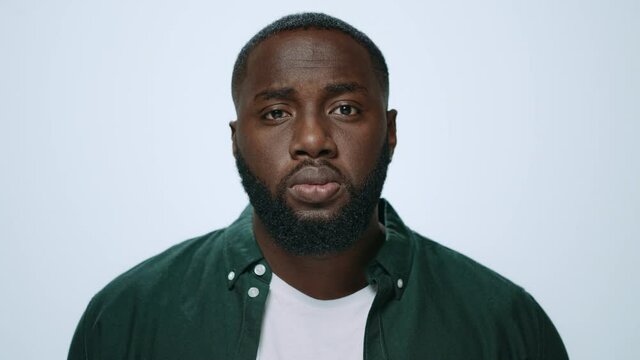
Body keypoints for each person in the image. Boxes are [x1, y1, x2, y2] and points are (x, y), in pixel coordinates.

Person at [68, 12, 569, 360]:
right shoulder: (128, 317)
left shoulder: (503, 325)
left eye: (345, 109)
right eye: (276, 113)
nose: (312, 140)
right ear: (237, 139)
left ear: (390, 132)